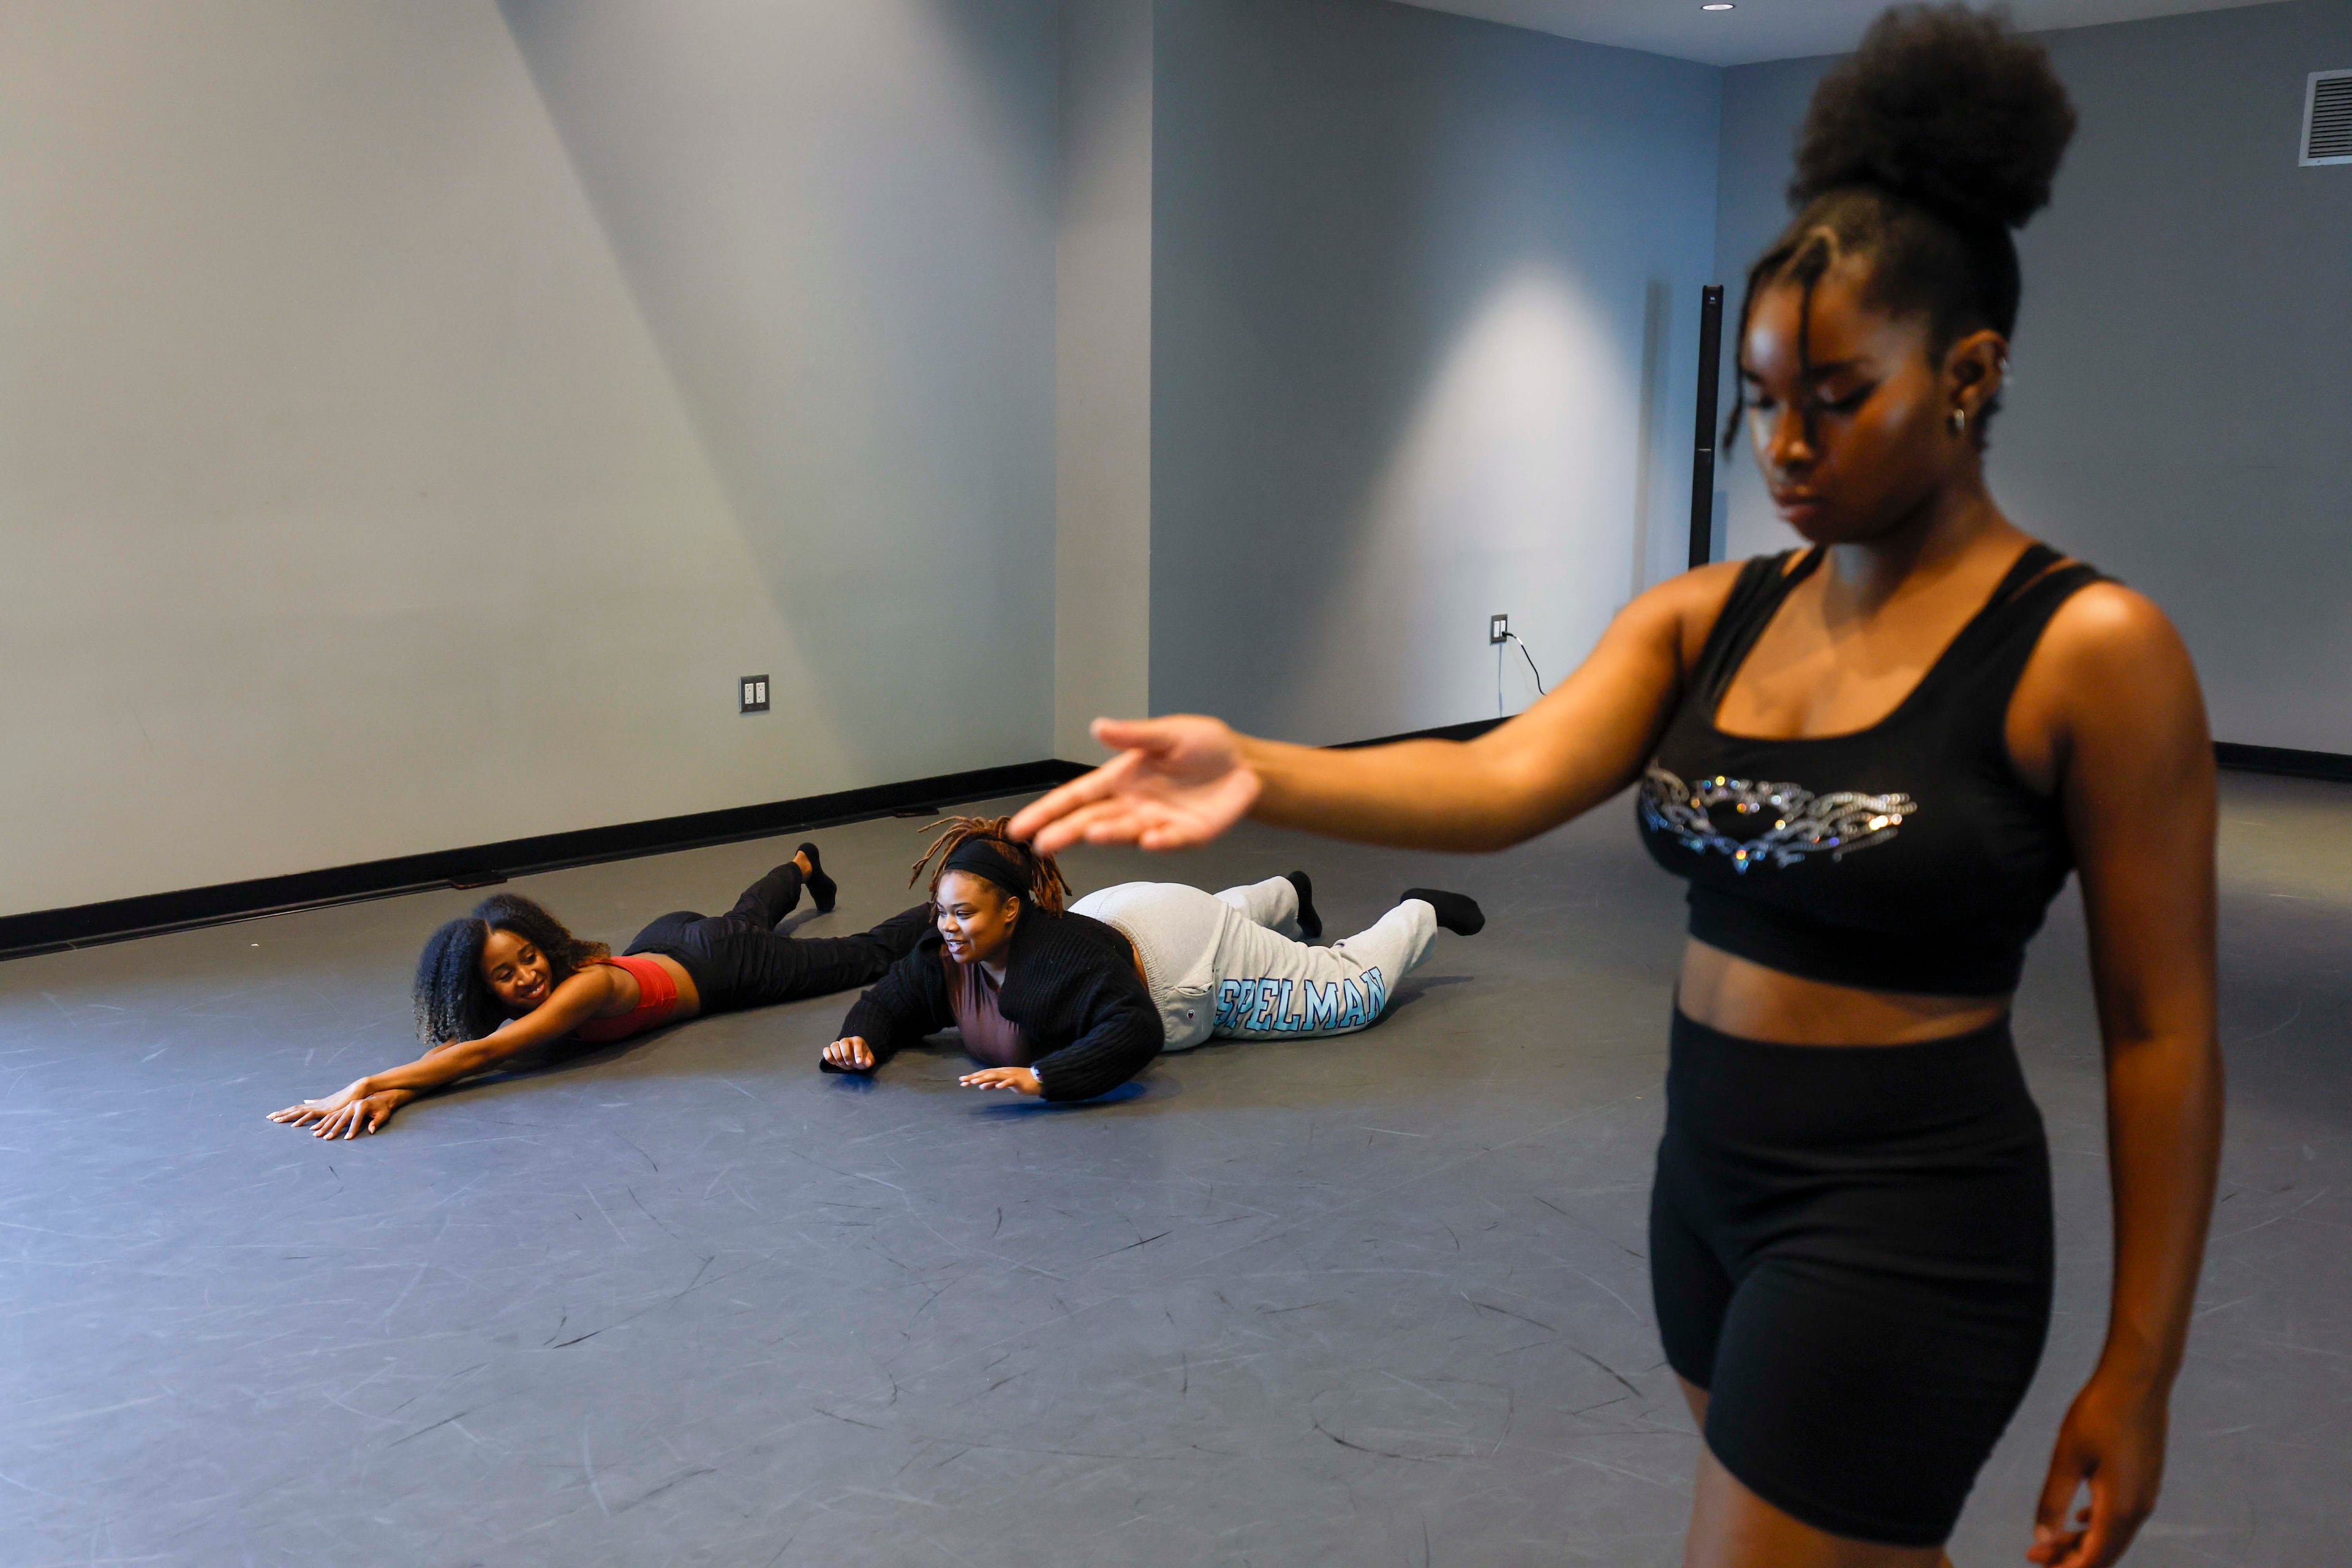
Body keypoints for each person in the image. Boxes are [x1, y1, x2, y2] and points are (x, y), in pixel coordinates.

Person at [1008, 10, 2222, 1567]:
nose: (1783, 443)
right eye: (1762, 393)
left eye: (1835, 395)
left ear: (1969, 373)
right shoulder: (1707, 613)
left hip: (1903, 1215)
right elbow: (1507, 773)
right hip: (1706, 1186)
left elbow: (2162, 1028)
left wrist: (2142, 1361)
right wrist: (1262, 766)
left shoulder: (2084, 651)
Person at [271, 843, 929, 1137]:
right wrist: (396, 1093)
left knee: (861, 956)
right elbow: (460, 1049)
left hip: (721, 969)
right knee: (742, 915)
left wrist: (363, 1084)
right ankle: (801, 865)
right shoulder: (523, 1006)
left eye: (530, 957)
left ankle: (944, 908)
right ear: (481, 987)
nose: (529, 976)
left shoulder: (579, 989)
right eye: (507, 975)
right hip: (669, 941)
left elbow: (479, 1057)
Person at [1069, 872, 1485, 1052]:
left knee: (1347, 991)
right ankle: (1288, 893)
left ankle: (1421, 909)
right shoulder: (1020, 922)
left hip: (1173, 966)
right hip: (1117, 909)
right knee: (1218, 920)